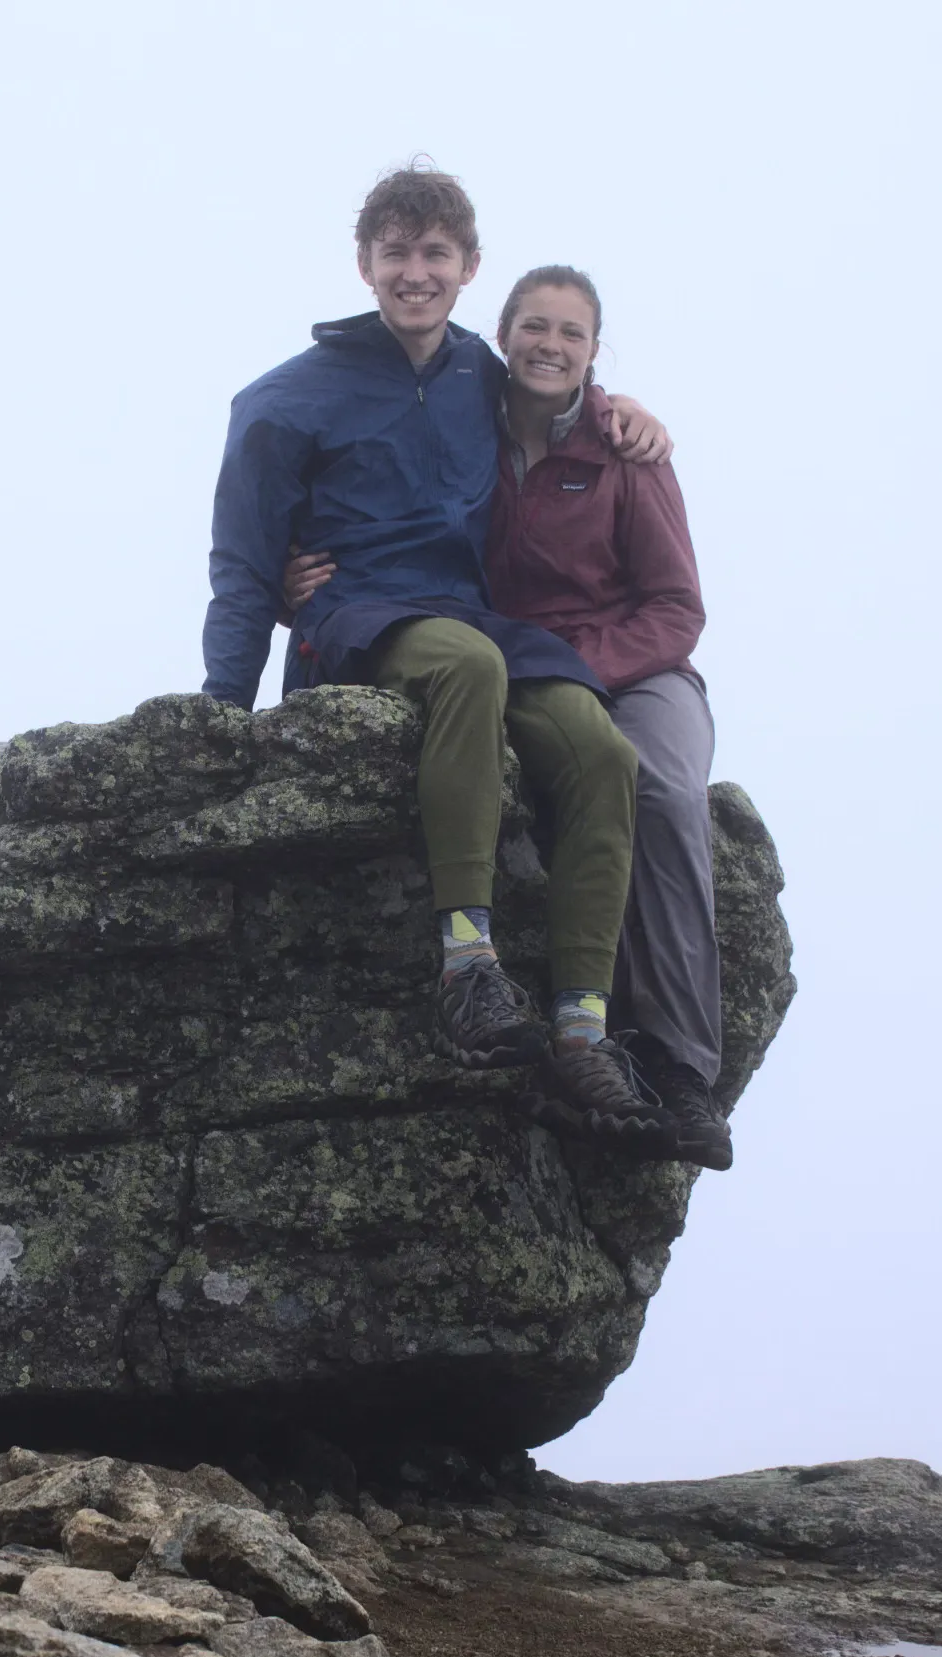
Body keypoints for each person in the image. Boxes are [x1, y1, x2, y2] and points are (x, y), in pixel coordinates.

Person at [200, 166, 677, 1142]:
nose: (414, 273)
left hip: (470, 614)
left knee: (597, 745)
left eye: (434, 254)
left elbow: (565, 396)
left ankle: (583, 1028)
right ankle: (468, 964)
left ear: (468, 268)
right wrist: (221, 714)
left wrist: (628, 412)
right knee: (466, 663)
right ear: (364, 263)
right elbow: (244, 565)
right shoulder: (283, 401)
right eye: (396, 253)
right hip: (356, 617)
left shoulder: (481, 377)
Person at [283, 263, 732, 1168]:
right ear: (503, 333)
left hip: (637, 664)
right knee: (559, 745)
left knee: (663, 790)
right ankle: (521, 1001)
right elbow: (389, 502)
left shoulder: (622, 448)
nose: (550, 346)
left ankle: (678, 1065)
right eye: (534, 327)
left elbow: (677, 608)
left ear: (595, 352)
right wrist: (304, 570)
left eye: (572, 334)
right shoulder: (466, 417)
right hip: (503, 652)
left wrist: (583, 670)